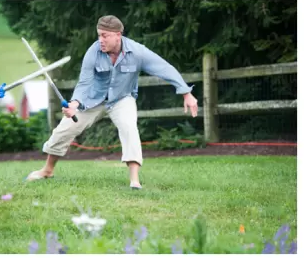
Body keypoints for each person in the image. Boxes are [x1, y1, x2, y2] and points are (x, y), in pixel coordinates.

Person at [26, 15, 199, 189]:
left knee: (129, 128)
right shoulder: (93, 52)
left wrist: (186, 92)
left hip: (122, 98)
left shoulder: (138, 52)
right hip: (92, 100)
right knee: (64, 129)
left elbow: (164, 68)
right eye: (99, 35)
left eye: (105, 36)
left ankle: (134, 181)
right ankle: (47, 170)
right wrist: (75, 104)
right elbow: (84, 82)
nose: (100, 40)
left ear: (118, 35)